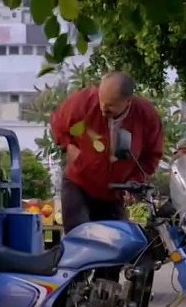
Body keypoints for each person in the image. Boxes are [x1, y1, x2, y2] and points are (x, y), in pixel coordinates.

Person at [50, 70, 164, 235]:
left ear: (128, 101)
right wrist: (68, 145)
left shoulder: (146, 116)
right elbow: (58, 123)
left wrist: (134, 181)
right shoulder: (84, 101)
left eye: (110, 105)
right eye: (101, 100)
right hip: (79, 183)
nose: (103, 107)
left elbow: (152, 156)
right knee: (79, 238)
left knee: (116, 240)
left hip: (113, 193)